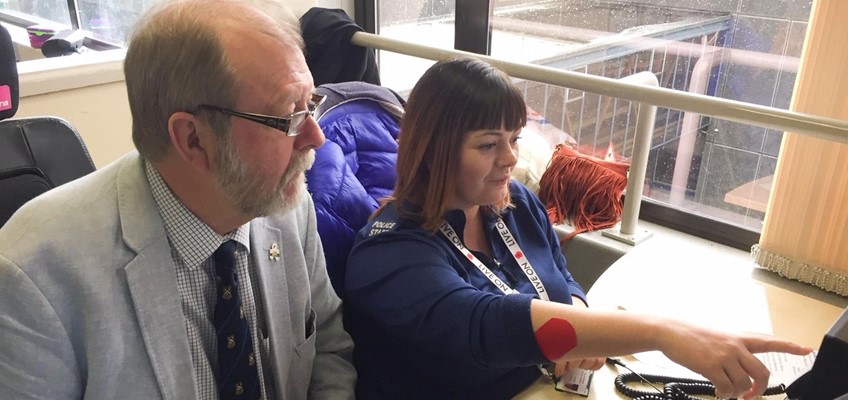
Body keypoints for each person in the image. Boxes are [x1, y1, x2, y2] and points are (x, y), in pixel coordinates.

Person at [343, 57, 811, 400]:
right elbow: (482, 324)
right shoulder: (387, 253)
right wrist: (663, 332)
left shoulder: (513, 203)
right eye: (488, 145)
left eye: (514, 139)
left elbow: (559, 278)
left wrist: (579, 312)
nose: (510, 159)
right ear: (432, 150)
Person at [0, 0, 355, 398]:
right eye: (290, 116)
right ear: (192, 139)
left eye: (311, 105)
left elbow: (326, 346)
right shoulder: (32, 279)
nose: (315, 138)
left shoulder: (286, 203)